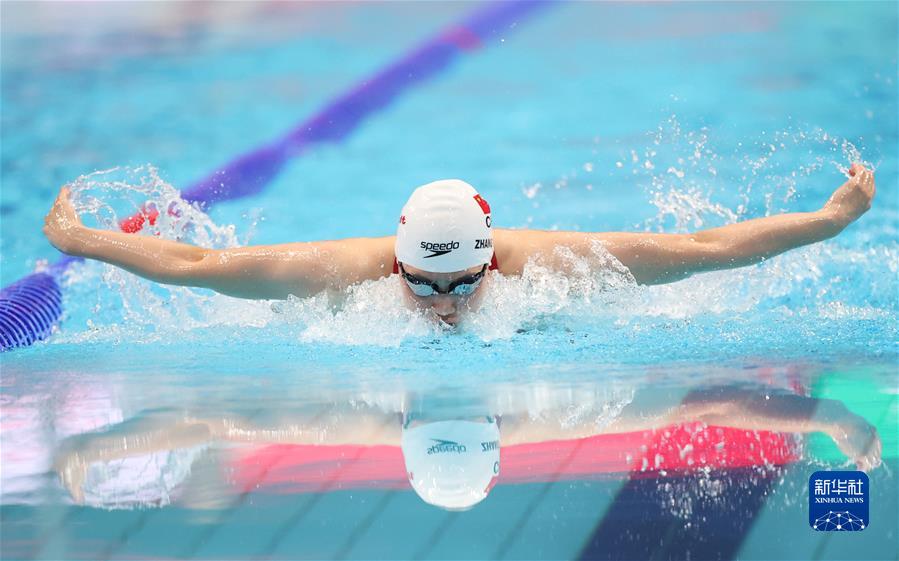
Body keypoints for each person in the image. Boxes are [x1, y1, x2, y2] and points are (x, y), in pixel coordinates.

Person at [43, 164, 876, 325]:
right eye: (425, 285)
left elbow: (703, 245)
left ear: (491, 261)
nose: (445, 306)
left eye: (462, 284)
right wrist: (79, 241)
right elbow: (196, 266)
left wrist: (827, 222)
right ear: (396, 260)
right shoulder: (339, 274)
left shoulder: (549, 266)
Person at [53, 383, 882, 510]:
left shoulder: (353, 418)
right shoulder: (559, 412)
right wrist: (820, 412)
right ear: (498, 441)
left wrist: (97, 441)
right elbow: (718, 396)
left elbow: (206, 417)